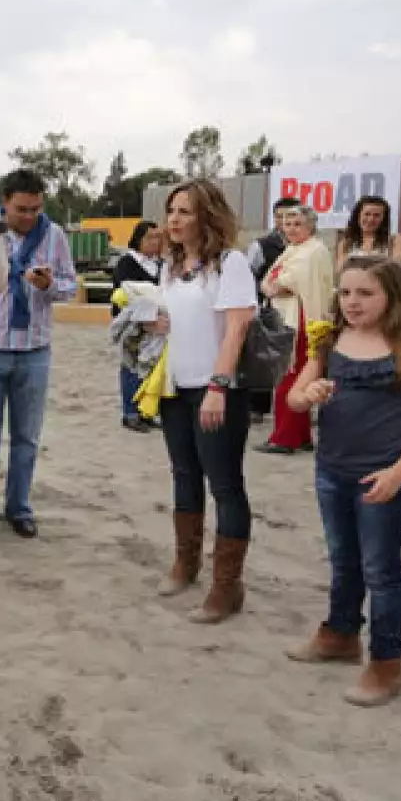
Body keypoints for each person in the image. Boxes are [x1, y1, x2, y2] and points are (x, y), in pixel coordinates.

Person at [283, 256, 401, 707]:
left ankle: (387, 664)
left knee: (382, 570)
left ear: (392, 296)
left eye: (365, 293)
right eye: (345, 292)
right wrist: (307, 394)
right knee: (343, 559)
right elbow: (294, 397)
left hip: (382, 478)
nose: (352, 302)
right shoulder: (330, 340)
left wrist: (399, 472)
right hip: (332, 471)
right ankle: (339, 634)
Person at [150, 180, 258, 623]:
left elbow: (237, 328)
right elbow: (171, 319)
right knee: (184, 474)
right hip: (175, 386)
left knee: (225, 484)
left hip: (216, 390)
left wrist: (218, 386)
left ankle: (226, 586)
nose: (174, 220)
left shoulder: (230, 264)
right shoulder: (171, 265)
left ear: (207, 216)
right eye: (171, 211)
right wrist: (154, 322)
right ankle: (186, 562)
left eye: (185, 212)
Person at [0, 168, 78, 539]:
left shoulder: (54, 236)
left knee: (27, 438)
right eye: (21, 209)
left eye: (36, 209)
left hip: (34, 351)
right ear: (4, 203)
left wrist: (49, 285)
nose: (29, 216)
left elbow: (70, 287)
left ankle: (18, 508)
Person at [257, 204, 334, 455]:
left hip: (302, 320)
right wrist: (272, 284)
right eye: (287, 224)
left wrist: (273, 284)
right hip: (289, 318)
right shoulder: (294, 249)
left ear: (311, 226)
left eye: (297, 224)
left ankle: (285, 437)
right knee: (293, 377)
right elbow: (268, 281)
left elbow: (285, 283)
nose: (291, 229)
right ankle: (300, 435)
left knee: (290, 377)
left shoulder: (313, 250)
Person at [245, 196, 300, 423]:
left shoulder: (305, 245)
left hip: (296, 309)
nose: (285, 222)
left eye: (290, 217)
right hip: (268, 309)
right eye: (280, 217)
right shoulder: (261, 245)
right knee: (265, 356)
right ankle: (257, 407)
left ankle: (294, 405)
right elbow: (249, 275)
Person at [111, 220, 163, 432]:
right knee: (131, 367)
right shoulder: (127, 262)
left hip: (155, 325)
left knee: (150, 367)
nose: (155, 242)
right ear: (138, 239)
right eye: (150, 237)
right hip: (132, 325)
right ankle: (130, 413)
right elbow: (125, 293)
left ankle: (146, 412)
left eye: (158, 237)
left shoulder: (159, 265)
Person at [335, 195, 401, 272]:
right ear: (358, 216)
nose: (371, 219)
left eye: (377, 215)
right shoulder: (346, 243)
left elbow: (397, 270)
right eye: (367, 214)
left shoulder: (395, 241)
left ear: (384, 219)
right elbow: (340, 271)